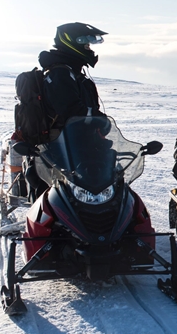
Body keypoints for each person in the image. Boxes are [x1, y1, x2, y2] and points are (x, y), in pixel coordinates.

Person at [16, 22, 108, 200]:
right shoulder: (60, 73)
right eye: (85, 43)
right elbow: (70, 110)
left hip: (76, 145)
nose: (89, 48)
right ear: (72, 42)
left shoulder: (72, 72)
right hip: (61, 148)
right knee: (57, 197)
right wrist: (97, 118)